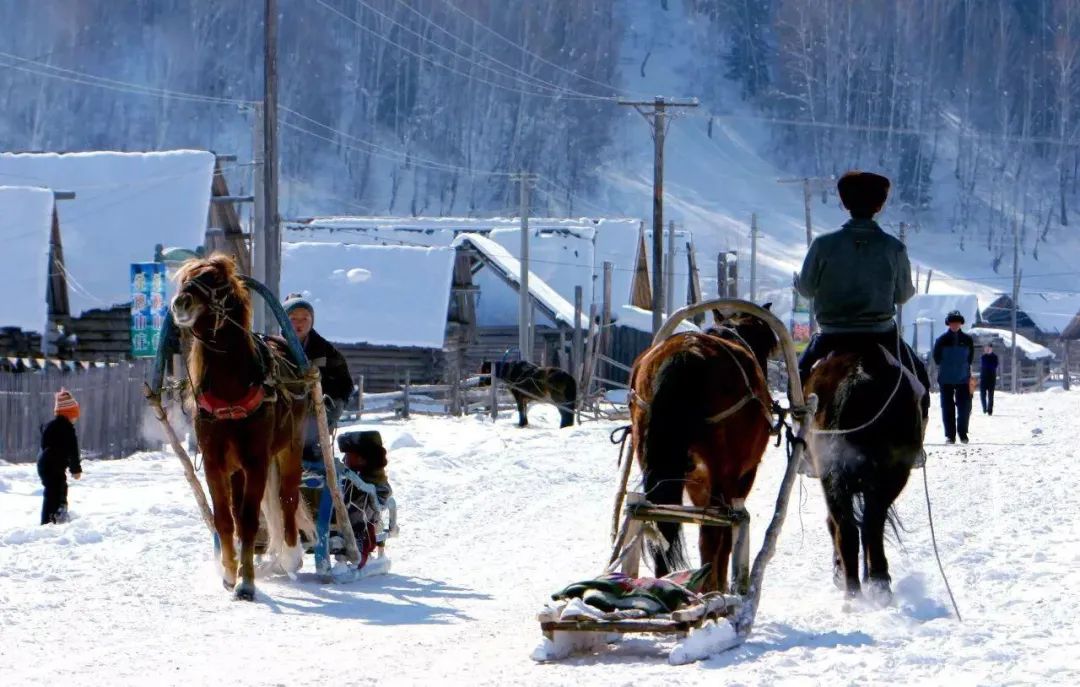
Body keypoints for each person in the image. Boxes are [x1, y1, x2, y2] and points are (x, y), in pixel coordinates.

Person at [795, 170, 931, 420]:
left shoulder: (823, 244)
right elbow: (903, 296)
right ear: (879, 206)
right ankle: (916, 441)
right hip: (881, 336)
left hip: (832, 336)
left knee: (799, 379)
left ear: (845, 203)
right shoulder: (894, 247)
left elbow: (805, 289)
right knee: (920, 380)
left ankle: (800, 440)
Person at [283, 293, 354, 460]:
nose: (299, 324)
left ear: (312, 321)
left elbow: (344, 384)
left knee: (307, 448)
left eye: (305, 318)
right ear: (284, 319)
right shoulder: (272, 347)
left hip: (313, 413)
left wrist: (330, 408)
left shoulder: (325, 350)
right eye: (293, 318)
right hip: (281, 412)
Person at [37, 389, 83, 524]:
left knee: (52, 491)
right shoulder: (68, 430)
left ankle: (51, 517)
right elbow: (73, 451)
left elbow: (44, 443)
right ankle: (54, 518)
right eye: (75, 415)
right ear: (69, 415)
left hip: (43, 463)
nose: (76, 419)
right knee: (58, 490)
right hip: (54, 465)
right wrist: (76, 470)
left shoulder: (49, 426)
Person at [933, 311, 976, 443]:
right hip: (946, 379)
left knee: (965, 407)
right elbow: (936, 358)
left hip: (963, 378)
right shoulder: (941, 340)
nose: (955, 325)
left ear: (961, 324)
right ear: (948, 324)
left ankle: (963, 434)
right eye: (952, 323)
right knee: (947, 407)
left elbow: (970, 358)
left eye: (957, 323)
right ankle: (950, 436)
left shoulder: (968, 340)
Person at [979, 343, 999, 415]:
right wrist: (989, 365)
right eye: (986, 348)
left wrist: (989, 365)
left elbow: (995, 366)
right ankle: (984, 408)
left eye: (988, 348)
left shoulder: (995, 357)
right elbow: (984, 364)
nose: (987, 349)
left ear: (991, 348)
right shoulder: (983, 357)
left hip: (991, 378)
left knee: (991, 395)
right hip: (983, 378)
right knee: (982, 395)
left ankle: (990, 410)